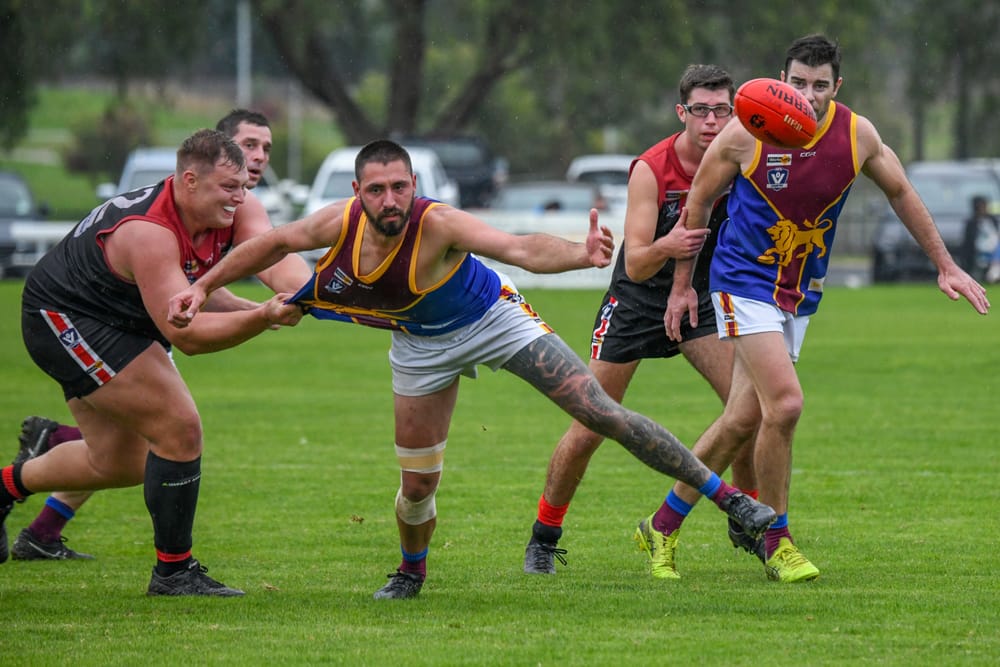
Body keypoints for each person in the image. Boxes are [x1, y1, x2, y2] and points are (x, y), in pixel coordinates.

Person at [166, 139, 778, 600]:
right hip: (420, 345)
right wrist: (203, 285)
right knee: (417, 487)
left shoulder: (437, 222)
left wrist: (578, 256)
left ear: (413, 186)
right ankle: (411, 572)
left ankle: (731, 502)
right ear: (357, 192)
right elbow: (269, 246)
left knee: (600, 411)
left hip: (492, 318)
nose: (390, 200)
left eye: (399, 187)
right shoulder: (338, 224)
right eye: (376, 189)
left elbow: (515, 247)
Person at [654, 34, 990, 583]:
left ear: (837, 86)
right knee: (784, 405)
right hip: (741, 282)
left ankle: (662, 524)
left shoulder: (857, 135)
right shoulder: (744, 133)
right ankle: (777, 539)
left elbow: (901, 192)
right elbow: (698, 202)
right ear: (780, 80)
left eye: (818, 84)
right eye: (796, 82)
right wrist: (682, 285)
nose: (805, 95)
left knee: (743, 417)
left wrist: (946, 264)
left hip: (798, 291)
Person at [0, 129, 308, 596]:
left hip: (123, 320)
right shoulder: (149, 233)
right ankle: (174, 572)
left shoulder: (229, 209)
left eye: (244, 185)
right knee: (179, 427)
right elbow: (187, 336)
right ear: (189, 181)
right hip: (63, 318)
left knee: (121, 463)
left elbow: (269, 256)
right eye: (230, 187)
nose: (241, 196)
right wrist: (263, 315)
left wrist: (309, 294)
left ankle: (5, 486)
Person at [521, 64, 759, 577]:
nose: (713, 121)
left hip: (696, 297)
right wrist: (671, 244)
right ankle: (545, 535)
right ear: (683, 113)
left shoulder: (743, 157)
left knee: (746, 411)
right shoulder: (652, 169)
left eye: (723, 110)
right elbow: (634, 263)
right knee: (590, 424)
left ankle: (748, 515)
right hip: (637, 300)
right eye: (702, 111)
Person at [960, 195, 1000, 283]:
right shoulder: (972, 222)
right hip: (978, 254)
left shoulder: (993, 220)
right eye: (981, 206)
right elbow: (968, 242)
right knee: (977, 276)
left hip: (993, 253)